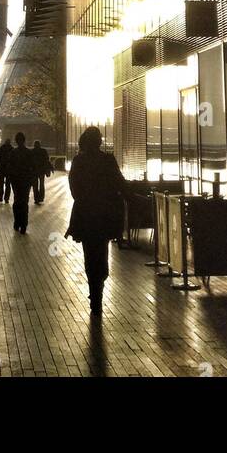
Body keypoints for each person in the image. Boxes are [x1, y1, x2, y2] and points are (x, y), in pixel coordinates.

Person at [67, 127, 126, 316]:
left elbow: (75, 190)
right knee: (101, 251)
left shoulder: (78, 161)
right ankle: (98, 287)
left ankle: (94, 292)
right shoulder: (108, 161)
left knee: (89, 254)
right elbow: (120, 183)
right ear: (99, 141)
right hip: (105, 216)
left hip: (85, 216)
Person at [8, 132, 36, 234]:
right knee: (24, 202)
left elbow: (10, 168)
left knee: (17, 201)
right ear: (24, 140)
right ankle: (24, 224)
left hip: (16, 181)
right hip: (26, 181)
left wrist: (11, 180)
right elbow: (33, 168)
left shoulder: (13, 153)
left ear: (16, 140)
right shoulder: (29, 153)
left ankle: (17, 222)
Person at [31, 140, 52, 205]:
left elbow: (29, 162)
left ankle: (36, 198)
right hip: (41, 171)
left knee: (35, 185)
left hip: (34, 171)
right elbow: (47, 160)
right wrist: (49, 168)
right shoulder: (43, 151)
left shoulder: (32, 152)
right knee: (42, 184)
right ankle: (41, 197)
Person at [0, 137, 13, 204]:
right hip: (8, 169)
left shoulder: (1, 148)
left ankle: (1, 195)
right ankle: (6, 198)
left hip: (2, 168)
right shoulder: (12, 149)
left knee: (1, 182)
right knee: (8, 184)